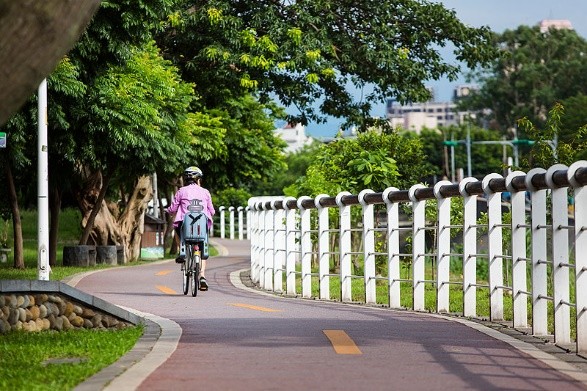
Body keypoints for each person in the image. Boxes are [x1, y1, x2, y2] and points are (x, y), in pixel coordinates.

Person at [165, 166, 215, 290]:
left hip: (185, 226)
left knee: (178, 228)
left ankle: (181, 252)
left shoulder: (181, 191)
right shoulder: (205, 192)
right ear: (198, 179)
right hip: (201, 226)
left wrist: (168, 211)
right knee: (202, 246)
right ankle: (202, 275)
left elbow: (173, 209)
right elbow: (212, 211)